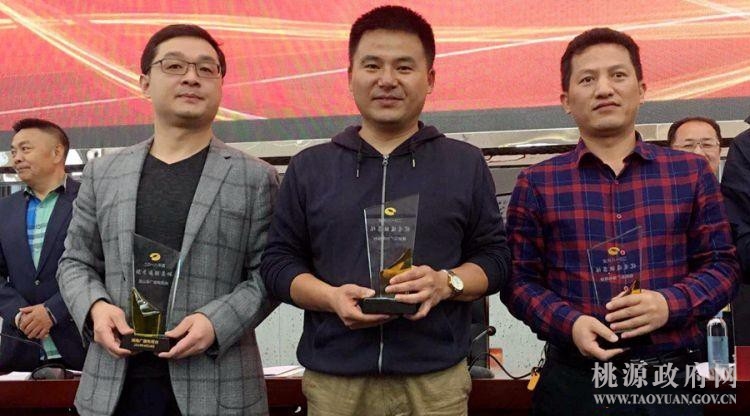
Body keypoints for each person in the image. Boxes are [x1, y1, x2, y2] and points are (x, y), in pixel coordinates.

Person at [261, 5, 509, 416]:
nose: (387, 80)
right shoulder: (310, 167)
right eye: (372, 65)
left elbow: (495, 259)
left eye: (404, 67)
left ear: (430, 79)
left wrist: (445, 283)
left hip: (436, 384)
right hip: (336, 384)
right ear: (350, 76)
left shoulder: (464, 163)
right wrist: (330, 298)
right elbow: (278, 265)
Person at [501, 27, 738, 415]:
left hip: (668, 381)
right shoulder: (538, 182)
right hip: (575, 382)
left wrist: (669, 304)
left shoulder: (690, 173)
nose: (604, 89)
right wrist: (570, 324)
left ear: (641, 90)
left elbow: (723, 267)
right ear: (566, 101)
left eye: (618, 75)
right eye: (587, 79)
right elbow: (517, 281)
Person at [57, 24, 278, 416]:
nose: (191, 77)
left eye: (206, 69)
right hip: (112, 389)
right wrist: (95, 308)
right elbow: (75, 261)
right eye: (174, 66)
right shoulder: (104, 173)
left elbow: (269, 274)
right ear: (145, 82)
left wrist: (215, 323)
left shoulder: (256, 177)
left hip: (218, 387)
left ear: (220, 85)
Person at [0, 118, 84, 372]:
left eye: (25, 149)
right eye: (13, 151)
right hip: (19, 353)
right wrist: (20, 315)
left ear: (57, 153)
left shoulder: (89, 200)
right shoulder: (4, 209)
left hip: (81, 348)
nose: (16, 158)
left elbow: (103, 268)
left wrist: (52, 311)